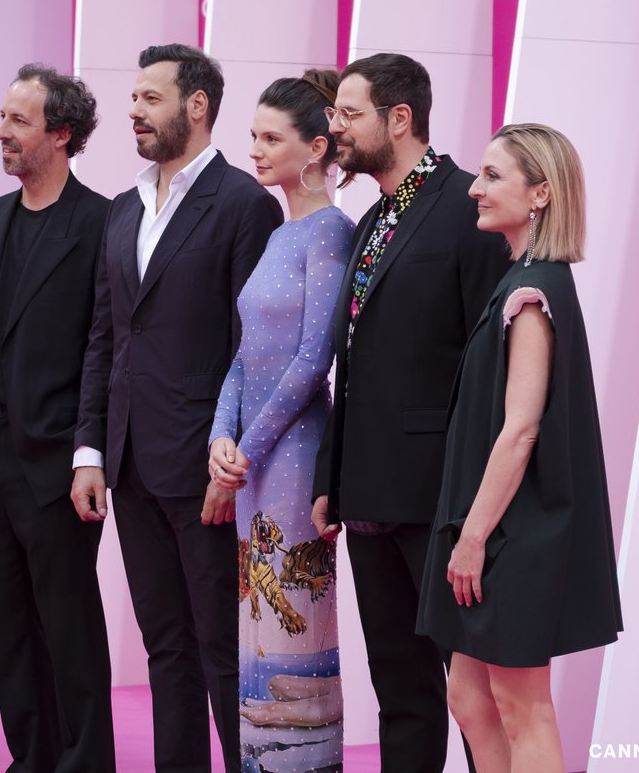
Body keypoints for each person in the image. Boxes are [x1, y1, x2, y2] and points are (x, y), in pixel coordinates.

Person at [72, 43, 284, 773]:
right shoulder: (124, 207)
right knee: (166, 645)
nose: (133, 109)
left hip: (205, 470)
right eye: (133, 98)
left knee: (222, 646)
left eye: (149, 98)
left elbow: (251, 349)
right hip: (128, 463)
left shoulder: (245, 205)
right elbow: (105, 337)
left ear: (196, 106)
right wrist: (90, 451)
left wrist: (231, 466)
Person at [310, 53, 510, 773]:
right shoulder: (369, 221)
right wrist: (333, 477)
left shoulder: (467, 207)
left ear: (400, 119)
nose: (335, 127)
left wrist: (476, 509)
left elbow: (490, 369)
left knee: (473, 692)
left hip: (441, 499)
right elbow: (354, 362)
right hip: (368, 492)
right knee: (399, 686)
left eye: (349, 113)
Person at [416, 123, 623, 773]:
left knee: (519, 702)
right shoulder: (522, 282)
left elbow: (521, 429)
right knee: (468, 692)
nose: (475, 189)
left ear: (540, 193)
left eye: (493, 176)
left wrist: (472, 538)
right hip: (495, 527)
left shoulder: (533, 295)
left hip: (512, 534)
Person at [0, 64, 115, 772]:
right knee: (7, 625)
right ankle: (32, 758)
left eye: (18, 121)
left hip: (57, 464)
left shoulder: (104, 222)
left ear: (61, 134)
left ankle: (83, 761)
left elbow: (106, 348)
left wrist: (88, 452)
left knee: (67, 627)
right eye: (3, 117)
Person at [206, 70, 355, 771]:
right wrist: (221, 439)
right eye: (255, 136)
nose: (257, 150)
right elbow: (243, 354)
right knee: (258, 626)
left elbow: (310, 362)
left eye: (272, 138)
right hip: (256, 460)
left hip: (295, 458)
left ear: (317, 147)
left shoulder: (331, 233)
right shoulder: (279, 231)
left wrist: (248, 448)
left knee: (294, 620)